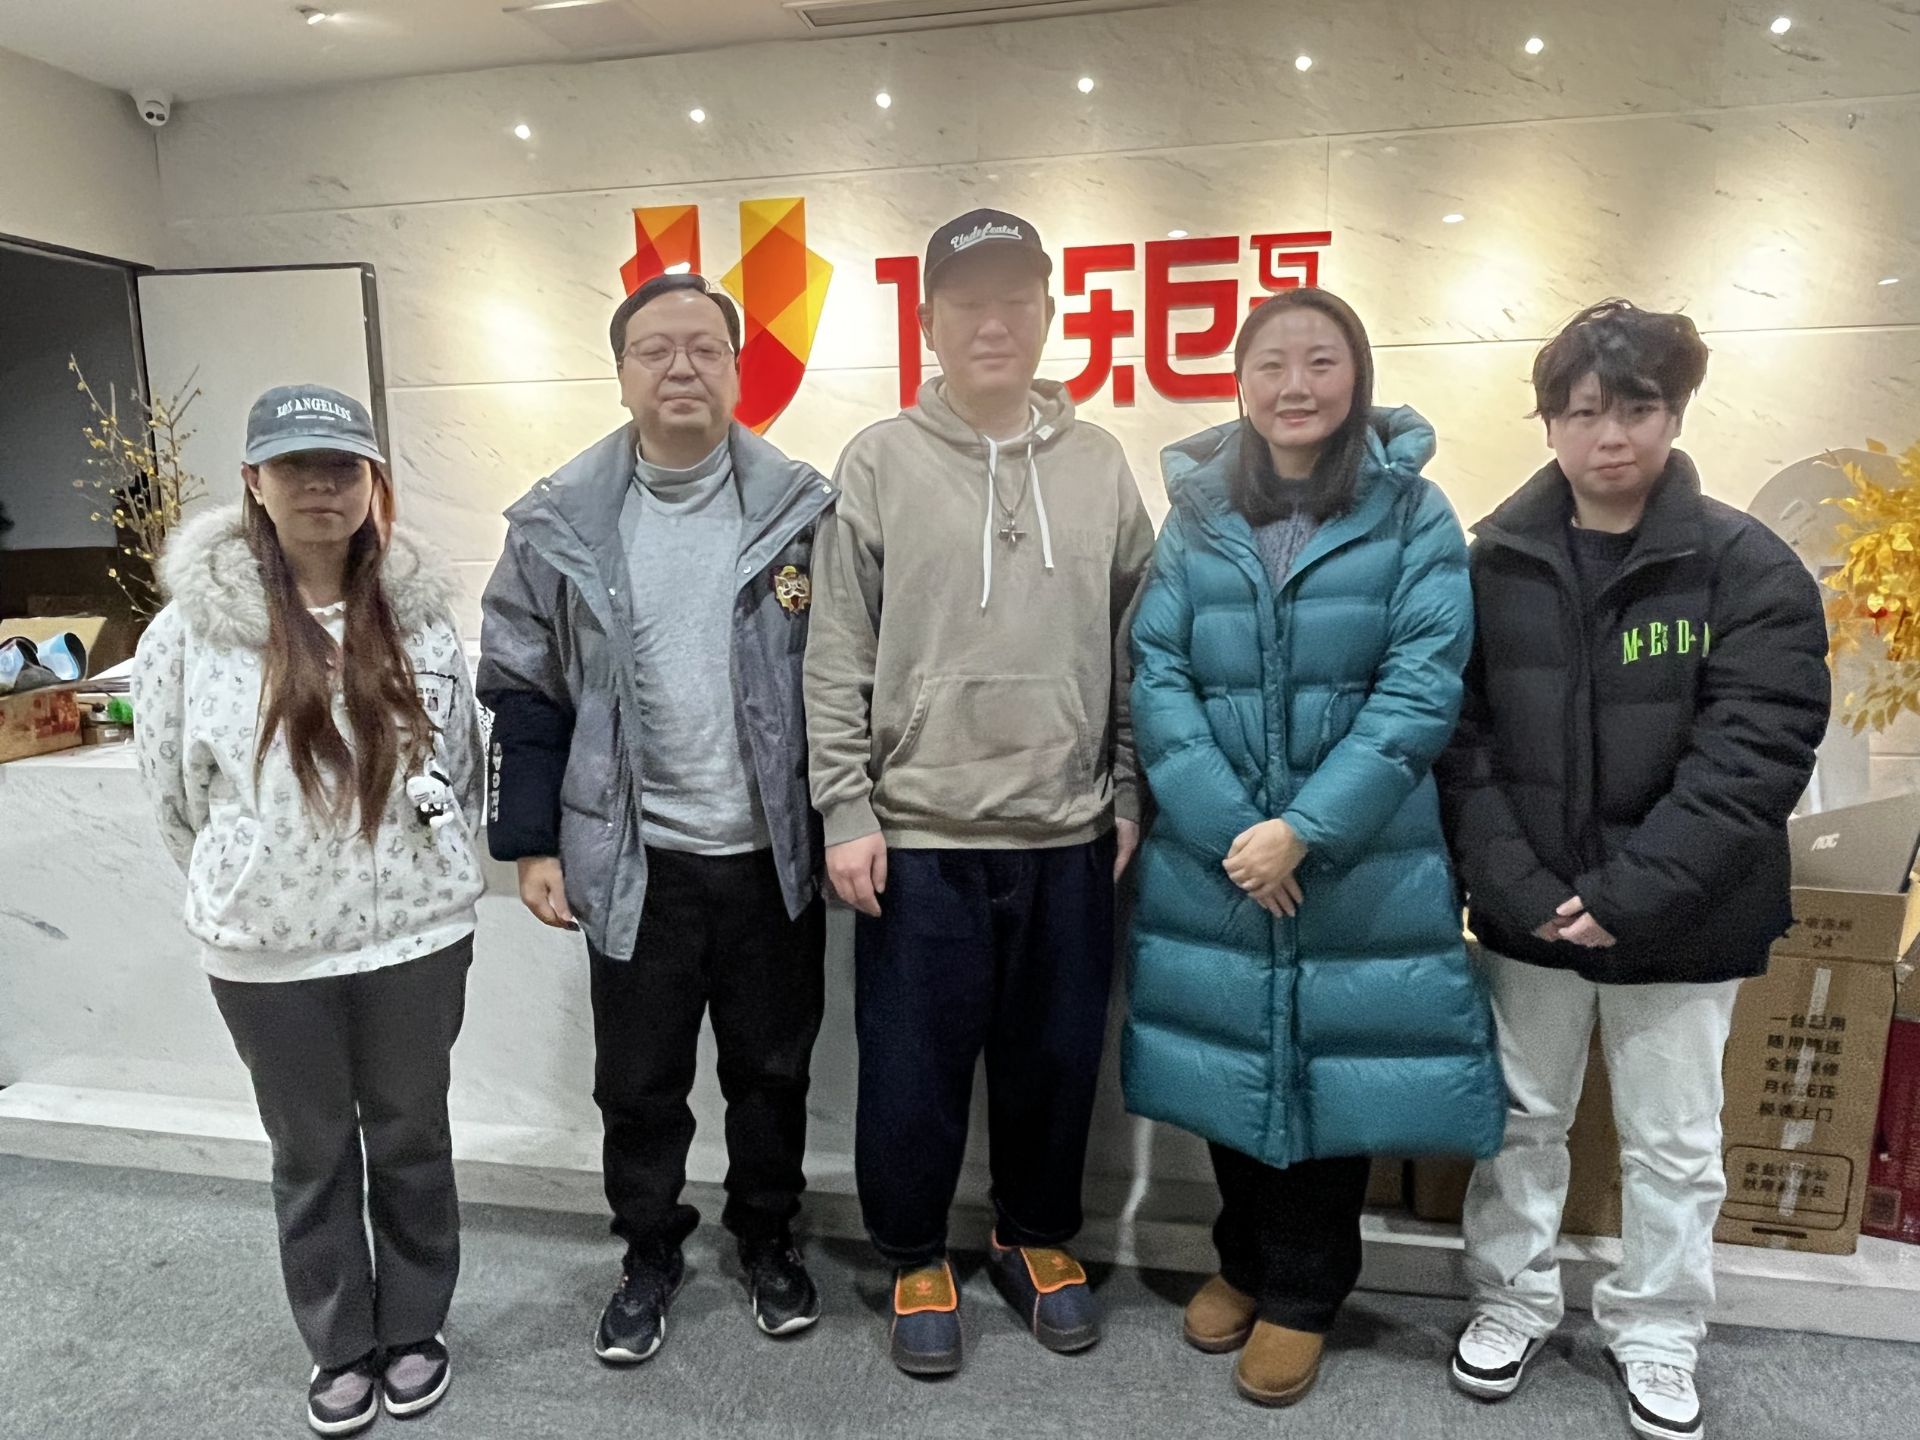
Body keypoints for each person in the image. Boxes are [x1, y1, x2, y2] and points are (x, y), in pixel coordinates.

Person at [1437, 299, 1830, 1440]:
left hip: (1683, 916)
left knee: (1674, 1142)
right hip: (1531, 913)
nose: (1610, 436)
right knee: (1521, 1119)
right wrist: (1519, 888)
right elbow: (1458, 743)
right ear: (1549, 422)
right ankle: (1509, 1300)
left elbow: (1756, 753)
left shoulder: (1746, 566)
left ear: (1676, 412)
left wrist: (1629, 896)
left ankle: (1658, 1329)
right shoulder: (1489, 563)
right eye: (1583, 412)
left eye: (1637, 409)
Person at [1123, 288, 1506, 1406]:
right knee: (1230, 1057)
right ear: (1240, 381)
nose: (1296, 385)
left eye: (1321, 361)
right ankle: (1243, 1260)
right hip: (1220, 856)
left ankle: (1304, 1290)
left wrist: (1303, 831)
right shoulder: (1197, 515)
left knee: (1333, 1073)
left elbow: (1420, 690)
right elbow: (1158, 675)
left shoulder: (1413, 514)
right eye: (1272, 363)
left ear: (1358, 376)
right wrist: (1232, 831)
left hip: (1355, 855)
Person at [805, 208, 1155, 1376]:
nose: (993, 323)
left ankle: (1033, 1238)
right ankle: (914, 1253)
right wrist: (845, 806)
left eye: (1016, 300)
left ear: (1050, 315)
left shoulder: (1100, 465)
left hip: (1067, 830)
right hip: (920, 834)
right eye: (968, 303)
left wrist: (1127, 789)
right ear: (929, 323)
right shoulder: (879, 461)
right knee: (911, 1070)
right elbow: (837, 651)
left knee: (1055, 1062)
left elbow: (1139, 643)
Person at [478, 274, 834, 1363]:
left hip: (771, 856)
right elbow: (522, 685)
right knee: (638, 1086)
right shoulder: (561, 523)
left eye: (705, 348)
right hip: (636, 859)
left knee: (773, 1073)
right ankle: (647, 1252)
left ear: (737, 368)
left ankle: (767, 1238)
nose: (682, 367)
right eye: (655, 350)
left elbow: (850, 677)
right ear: (623, 372)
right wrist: (533, 843)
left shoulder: (804, 512)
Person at [133, 385, 484, 1435]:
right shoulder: (187, 635)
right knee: (311, 1151)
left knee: (413, 1136)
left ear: (373, 481)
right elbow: (176, 798)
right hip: (270, 954)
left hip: (417, 937)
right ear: (255, 482)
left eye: (342, 466)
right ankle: (340, 1343)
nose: (320, 486)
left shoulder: (422, 619)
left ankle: (414, 1327)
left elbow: (460, 767)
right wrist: (257, 875)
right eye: (295, 466)